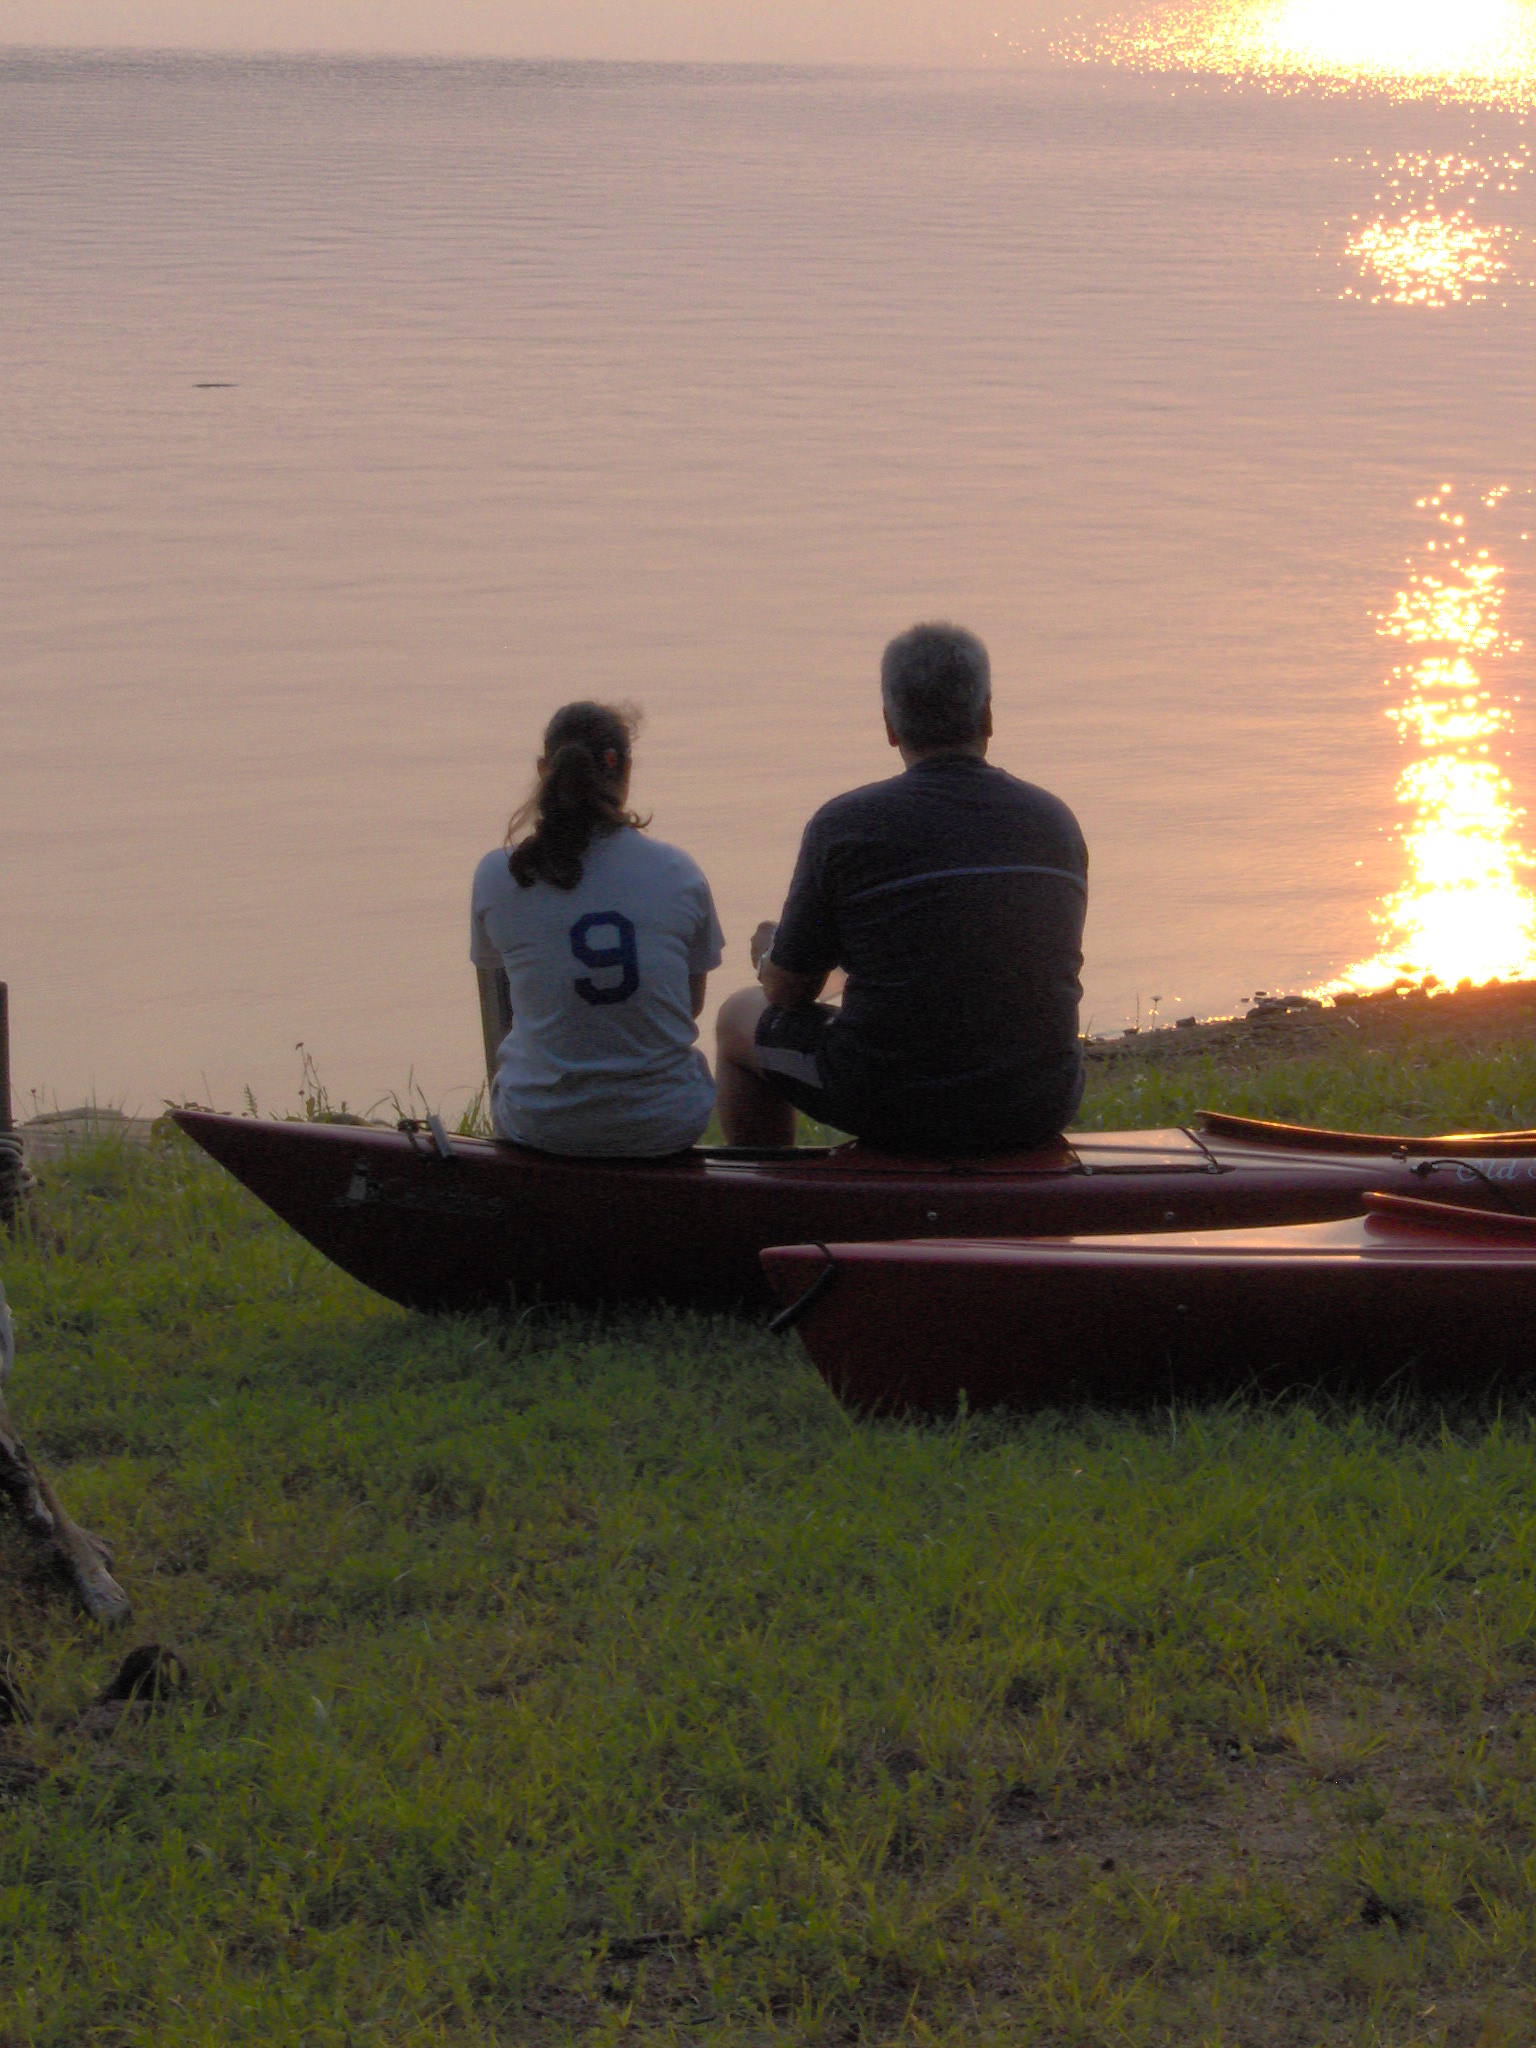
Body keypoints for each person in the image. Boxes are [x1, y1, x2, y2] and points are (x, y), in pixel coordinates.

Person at [715, 623, 1087, 1154]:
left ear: (890, 725)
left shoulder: (845, 825)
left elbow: (787, 991)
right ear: (987, 716)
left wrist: (769, 958)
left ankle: (774, 1196)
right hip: (1040, 1098)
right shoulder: (1055, 821)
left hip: (893, 1101)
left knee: (737, 1017)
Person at [471, 701, 724, 1156]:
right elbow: (689, 1005)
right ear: (625, 774)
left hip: (539, 1125)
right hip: (665, 1123)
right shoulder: (678, 872)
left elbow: (499, 995)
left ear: (544, 770)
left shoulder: (497, 874)